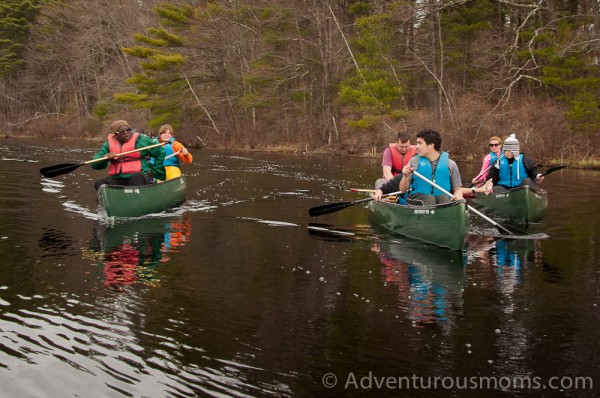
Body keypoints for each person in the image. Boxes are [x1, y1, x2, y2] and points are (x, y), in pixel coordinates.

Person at [372, 129, 465, 205]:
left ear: (431, 145)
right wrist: (405, 176)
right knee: (430, 198)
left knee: (444, 198)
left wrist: (458, 196)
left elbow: (457, 189)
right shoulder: (414, 161)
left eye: (420, 143)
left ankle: (445, 221)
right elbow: (402, 189)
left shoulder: (451, 165)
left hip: (441, 199)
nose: (416, 147)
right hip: (417, 198)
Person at [92, 120, 166, 190]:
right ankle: (112, 199)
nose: (126, 132)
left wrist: (154, 170)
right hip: (118, 179)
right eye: (122, 131)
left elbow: (160, 152)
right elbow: (95, 165)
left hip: (138, 177)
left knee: (137, 176)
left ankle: (138, 199)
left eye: (128, 130)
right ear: (116, 134)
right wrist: (106, 158)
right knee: (100, 183)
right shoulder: (108, 144)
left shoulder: (141, 140)